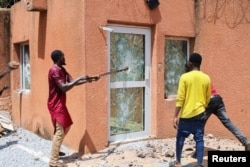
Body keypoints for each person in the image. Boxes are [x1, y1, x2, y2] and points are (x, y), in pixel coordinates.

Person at [47, 50, 99, 167]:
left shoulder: (62, 70)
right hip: (55, 104)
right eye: (63, 56)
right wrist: (80, 77)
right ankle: (53, 161)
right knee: (60, 130)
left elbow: (72, 82)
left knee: (67, 125)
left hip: (60, 104)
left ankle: (56, 148)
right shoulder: (54, 70)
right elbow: (64, 88)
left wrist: (89, 80)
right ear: (59, 58)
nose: (65, 58)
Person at [185, 64, 250, 156]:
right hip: (217, 99)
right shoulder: (203, 76)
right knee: (228, 122)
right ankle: (246, 141)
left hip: (208, 102)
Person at [173, 53, 211, 167]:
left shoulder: (185, 77)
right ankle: (199, 164)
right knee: (199, 139)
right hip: (200, 114)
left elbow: (180, 98)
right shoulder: (206, 78)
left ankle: (178, 162)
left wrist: (175, 115)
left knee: (180, 137)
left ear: (190, 63)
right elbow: (208, 98)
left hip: (186, 115)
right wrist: (202, 107)